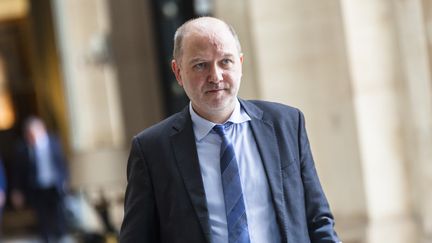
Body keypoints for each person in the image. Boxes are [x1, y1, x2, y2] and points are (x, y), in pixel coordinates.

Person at [120, 17, 341, 243]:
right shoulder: (152, 150)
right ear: (178, 72)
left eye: (225, 61)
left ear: (240, 63)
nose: (215, 77)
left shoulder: (285, 124)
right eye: (200, 65)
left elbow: (318, 219)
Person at [12, 116, 69, 243]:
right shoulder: (23, 148)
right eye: (28, 135)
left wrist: (64, 181)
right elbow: (18, 171)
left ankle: (61, 237)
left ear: (41, 130)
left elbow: (63, 163)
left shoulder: (54, 142)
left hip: (54, 185)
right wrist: (17, 191)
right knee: (42, 218)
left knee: (59, 214)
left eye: (32, 134)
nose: (30, 137)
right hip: (37, 187)